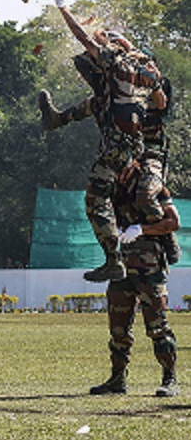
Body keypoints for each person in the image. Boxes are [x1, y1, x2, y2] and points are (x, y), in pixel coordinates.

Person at [52, 0, 166, 282]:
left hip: (116, 146)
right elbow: (161, 102)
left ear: (119, 46)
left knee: (96, 199)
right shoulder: (149, 71)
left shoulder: (117, 62)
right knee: (128, 199)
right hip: (135, 145)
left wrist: (63, 7)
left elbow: (83, 38)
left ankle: (113, 259)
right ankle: (156, 241)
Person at [39, 65, 181, 264]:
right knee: (100, 199)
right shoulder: (121, 94)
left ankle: (167, 238)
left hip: (150, 155)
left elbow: (160, 101)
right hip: (126, 153)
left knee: (146, 194)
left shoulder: (154, 87)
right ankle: (58, 119)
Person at [89, 161, 180, 397]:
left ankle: (170, 379)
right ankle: (117, 380)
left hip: (149, 266)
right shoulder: (110, 185)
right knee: (118, 327)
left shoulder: (150, 184)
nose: (117, 170)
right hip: (121, 265)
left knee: (157, 326)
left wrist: (141, 229)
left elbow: (173, 222)